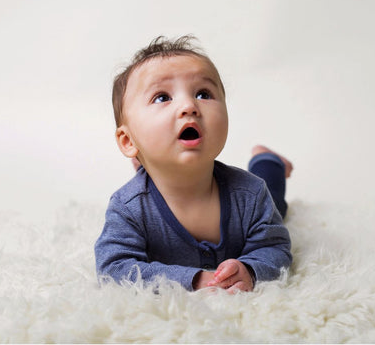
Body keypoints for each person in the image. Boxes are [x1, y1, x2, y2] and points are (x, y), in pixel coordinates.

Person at [94, 36, 293, 293]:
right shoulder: (129, 207)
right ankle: (151, 165)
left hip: (252, 195)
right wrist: (194, 280)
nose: (189, 105)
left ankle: (268, 160)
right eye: (162, 97)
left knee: (275, 202)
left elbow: (274, 248)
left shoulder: (251, 194)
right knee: (156, 169)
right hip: (148, 177)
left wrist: (252, 270)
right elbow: (114, 268)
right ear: (128, 140)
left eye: (203, 94)